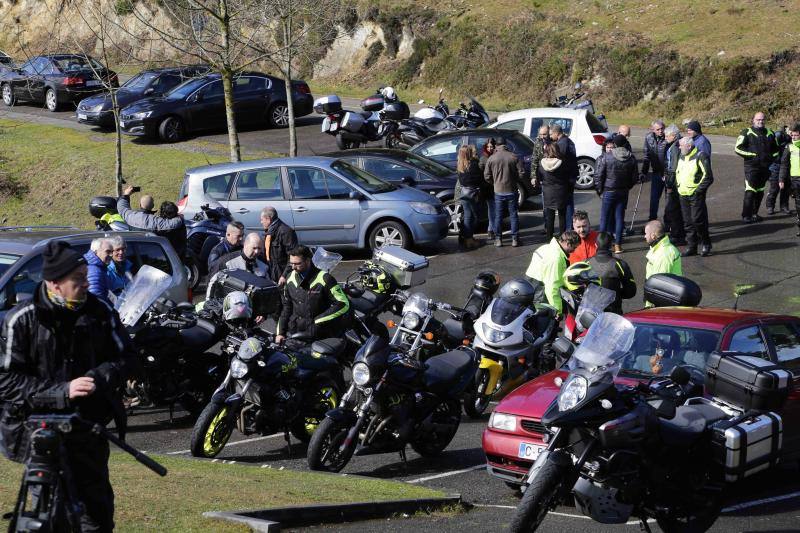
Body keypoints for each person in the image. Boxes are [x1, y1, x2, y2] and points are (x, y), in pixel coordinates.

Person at [0, 240, 136, 531]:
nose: (86, 285)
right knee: (47, 518)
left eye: (86, 278)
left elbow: (127, 357)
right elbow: (6, 382)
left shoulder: (100, 311)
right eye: (78, 280)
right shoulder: (20, 320)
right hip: (38, 433)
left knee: (95, 519)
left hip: (88, 430)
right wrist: (62, 391)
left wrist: (100, 377)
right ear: (54, 283)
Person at [276, 245, 350, 343]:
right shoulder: (289, 278)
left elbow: (343, 304)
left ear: (308, 261)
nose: (293, 268)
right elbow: (286, 307)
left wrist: (318, 321)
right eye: (291, 264)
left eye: (297, 264)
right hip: (296, 334)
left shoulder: (325, 278)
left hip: (319, 335)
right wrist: (280, 333)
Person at [117, 187, 186, 259]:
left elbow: (121, 207)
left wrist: (126, 194)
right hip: (154, 256)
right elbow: (173, 224)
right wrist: (180, 217)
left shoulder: (130, 216)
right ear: (153, 206)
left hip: (136, 253)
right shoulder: (157, 222)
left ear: (140, 205)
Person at [596, 134, 637, 254]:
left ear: (614, 144)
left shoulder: (607, 157)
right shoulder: (631, 158)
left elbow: (600, 174)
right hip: (623, 191)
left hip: (609, 190)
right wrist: (627, 186)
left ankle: (602, 246)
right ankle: (618, 245)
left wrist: (599, 190)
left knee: (604, 218)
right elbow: (634, 177)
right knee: (619, 218)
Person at [735, 112, 779, 223]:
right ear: (753, 120)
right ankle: (746, 215)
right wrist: (752, 155)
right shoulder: (746, 132)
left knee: (760, 192)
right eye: (758, 119)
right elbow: (738, 148)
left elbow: (776, 150)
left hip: (765, 168)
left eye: (762, 119)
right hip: (751, 167)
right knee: (750, 191)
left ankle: (755, 214)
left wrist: (770, 158)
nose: (761, 121)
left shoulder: (770, 133)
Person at [524, 231, 581, 316]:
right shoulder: (556, 258)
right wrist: (557, 311)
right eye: (574, 247)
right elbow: (552, 287)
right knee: (545, 322)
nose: (574, 251)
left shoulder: (545, 247)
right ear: (568, 244)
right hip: (541, 293)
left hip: (529, 287)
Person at [675, 136, 714, 257]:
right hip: (683, 194)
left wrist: (698, 191)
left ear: (689, 145)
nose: (679, 147)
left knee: (698, 220)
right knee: (687, 222)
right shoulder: (681, 156)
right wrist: (678, 185)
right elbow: (679, 172)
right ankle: (692, 247)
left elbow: (708, 177)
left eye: (681, 145)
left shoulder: (700, 156)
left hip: (695, 195)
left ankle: (706, 243)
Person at [484, 137, 525, 247]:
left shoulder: (492, 158)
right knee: (513, 215)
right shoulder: (513, 156)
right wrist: (514, 180)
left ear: (496, 145)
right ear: (505, 144)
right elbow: (521, 173)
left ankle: (498, 239)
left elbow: (486, 176)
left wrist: (494, 183)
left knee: (498, 216)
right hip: (511, 190)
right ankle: (515, 239)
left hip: (498, 191)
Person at [587, 232, 637, 314]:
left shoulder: (586, 263)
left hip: (591, 313)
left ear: (595, 245)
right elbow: (631, 292)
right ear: (611, 246)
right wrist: (616, 294)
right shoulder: (620, 264)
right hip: (614, 312)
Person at [644, 220, 682, 307]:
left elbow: (660, 285)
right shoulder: (658, 247)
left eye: (646, 233)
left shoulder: (664, 254)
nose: (644, 236)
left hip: (660, 304)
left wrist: (650, 305)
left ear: (653, 236)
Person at [538, 143, 569, 241]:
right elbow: (566, 177)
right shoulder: (562, 163)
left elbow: (540, 177)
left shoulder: (542, 163)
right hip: (561, 191)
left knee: (549, 217)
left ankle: (549, 238)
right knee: (562, 216)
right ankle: (562, 237)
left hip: (548, 192)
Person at [260, 206, 298, 286]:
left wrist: (284, 275)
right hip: (272, 271)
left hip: (281, 273)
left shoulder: (286, 232)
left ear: (268, 219)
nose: (261, 222)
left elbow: (293, 256)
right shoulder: (270, 230)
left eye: (262, 219)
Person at [550, 124, 577, 229]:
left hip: (567, 178)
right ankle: (571, 226)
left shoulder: (562, 144)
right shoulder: (569, 141)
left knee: (567, 203)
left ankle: (569, 227)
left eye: (551, 134)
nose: (551, 136)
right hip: (571, 176)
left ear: (557, 133)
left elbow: (559, 160)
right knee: (569, 202)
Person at [663, 124, 686, 245]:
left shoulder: (675, 147)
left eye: (668, 135)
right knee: (675, 209)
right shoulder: (674, 145)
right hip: (676, 181)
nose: (665, 137)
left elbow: (673, 167)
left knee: (674, 210)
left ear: (674, 135)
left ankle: (677, 235)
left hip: (675, 183)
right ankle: (678, 233)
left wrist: (669, 184)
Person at [455, 144, 483, 249]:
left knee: (467, 216)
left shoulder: (460, 164)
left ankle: (466, 237)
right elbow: (478, 179)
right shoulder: (473, 164)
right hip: (472, 193)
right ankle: (469, 239)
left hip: (464, 193)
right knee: (474, 217)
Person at [641, 120, 669, 222]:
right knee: (654, 199)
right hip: (656, 173)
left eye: (662, 128)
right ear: (652, 129)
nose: (661, 131)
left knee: (668, 200)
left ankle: (668, 222)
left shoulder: (668, 137)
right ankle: (652, 222)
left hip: (668, 174)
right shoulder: (648, 138)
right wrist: (644, 172)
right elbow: (646, 156)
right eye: (658, 129)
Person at [778, 122, 800, 237]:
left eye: (796, 135)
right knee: (798, 204)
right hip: (795, 179)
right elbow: (784, 164)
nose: (794, 138)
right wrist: (781, 179)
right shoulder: (789, 147)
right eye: (792, 136)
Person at [767, 125, 791, 215]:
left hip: (786, 165)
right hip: (775, 165)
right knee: (774, 188)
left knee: (786, 187)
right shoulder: (775, 137)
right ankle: (770, 206)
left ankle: (784, 206)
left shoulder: (789, 139)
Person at [83, 237, 113, 303]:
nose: (111, 255)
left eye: (112, 252)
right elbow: (96, 301)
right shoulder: (94, 272)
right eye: (108, 251)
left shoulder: (98, 267)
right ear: (96, 252)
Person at [479, 139, 498, 240]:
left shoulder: (496, 156)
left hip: (496, 186)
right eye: (488, 147)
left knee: (494, 209)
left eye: (491, 146)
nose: (490, 148)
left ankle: (492, 229)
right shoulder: (483, 158)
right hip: (488, 187)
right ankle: (491, 230)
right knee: (492, 210)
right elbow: (481, 173)